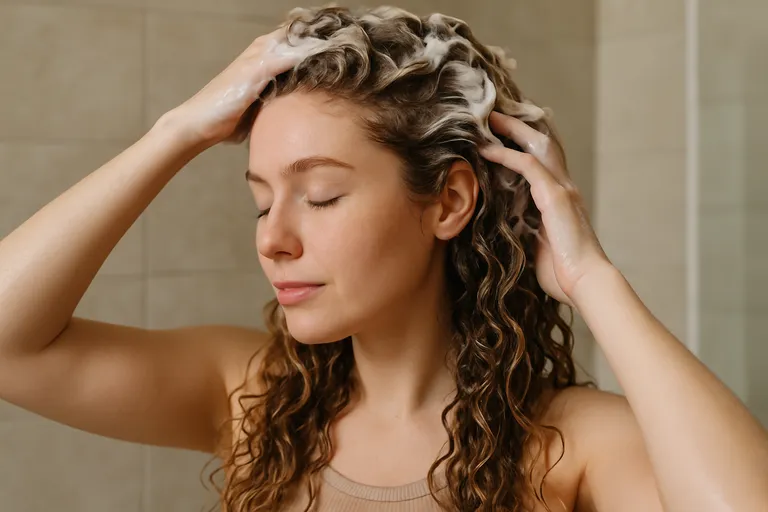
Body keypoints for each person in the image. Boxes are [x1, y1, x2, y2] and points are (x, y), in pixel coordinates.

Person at [0, 5, 766, 512]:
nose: (273, 238)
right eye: (262, 200)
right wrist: (177, 132)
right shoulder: (253, 400)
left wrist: (591, 279)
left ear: (448, 202)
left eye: (322, 196)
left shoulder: (572, 444)